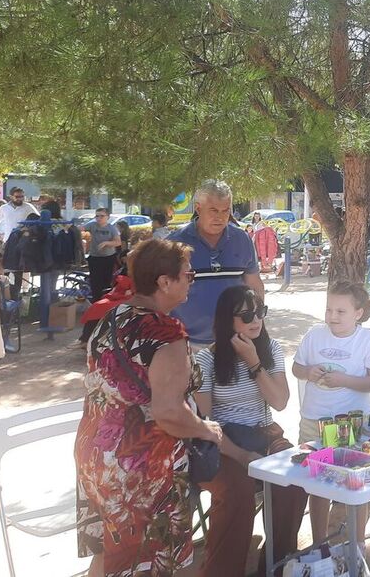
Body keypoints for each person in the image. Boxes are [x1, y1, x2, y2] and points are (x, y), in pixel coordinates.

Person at [74, 238, 223, 577]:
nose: (191, 280)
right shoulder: (166, 333)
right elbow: (169, 413)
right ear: (164, 282)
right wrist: (207, 430)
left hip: (96, 453)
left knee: (110, 553)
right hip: (141, 463)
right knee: (164, 558)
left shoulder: (113, 317)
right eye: (188, 275)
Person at [194, 286, 306, 577]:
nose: (255, 320)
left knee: (294, 479)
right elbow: (203, 424)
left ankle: (276, 566)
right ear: (226, 320)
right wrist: (241, 454)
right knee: (237, 491)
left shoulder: (269, 349)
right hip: (223, 441)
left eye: (260, 312)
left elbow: (280, 402)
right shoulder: (206, 361)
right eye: (245, 315)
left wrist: (253, 361)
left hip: (265, 431)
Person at [293, 280, 370, 540]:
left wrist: (345, 381)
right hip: (314, 422)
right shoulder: (314, 335)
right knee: (317, 484)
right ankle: (319, 542)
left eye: (340, 311)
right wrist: (308, 373)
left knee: (356, 484)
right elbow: (297, 368)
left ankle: (357, 543)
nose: (332, 317)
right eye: (329, 310)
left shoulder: (368, 340)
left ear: (358, 313)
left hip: (353, 426)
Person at [169, 180, 263, 344]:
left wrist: (256, 320)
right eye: (213, 210)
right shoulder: (175, 243)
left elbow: (254, 285)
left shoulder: (242, 240)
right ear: (198, 208)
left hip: (233, 340)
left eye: (225, 211)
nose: (219, 217)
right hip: (185, 342)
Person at [83, 208, 121, 301]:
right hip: (95, 258)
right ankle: (95, 303)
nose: (99, 218)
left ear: (107, 217)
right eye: (97, 216)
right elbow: (81, 228)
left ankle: (105, 302)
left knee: (106, 282)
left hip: (108, 258)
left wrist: (107, 243)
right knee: (95, 282)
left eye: (102, 216)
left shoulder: (112, 228)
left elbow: (118, 242)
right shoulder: (92, 225)